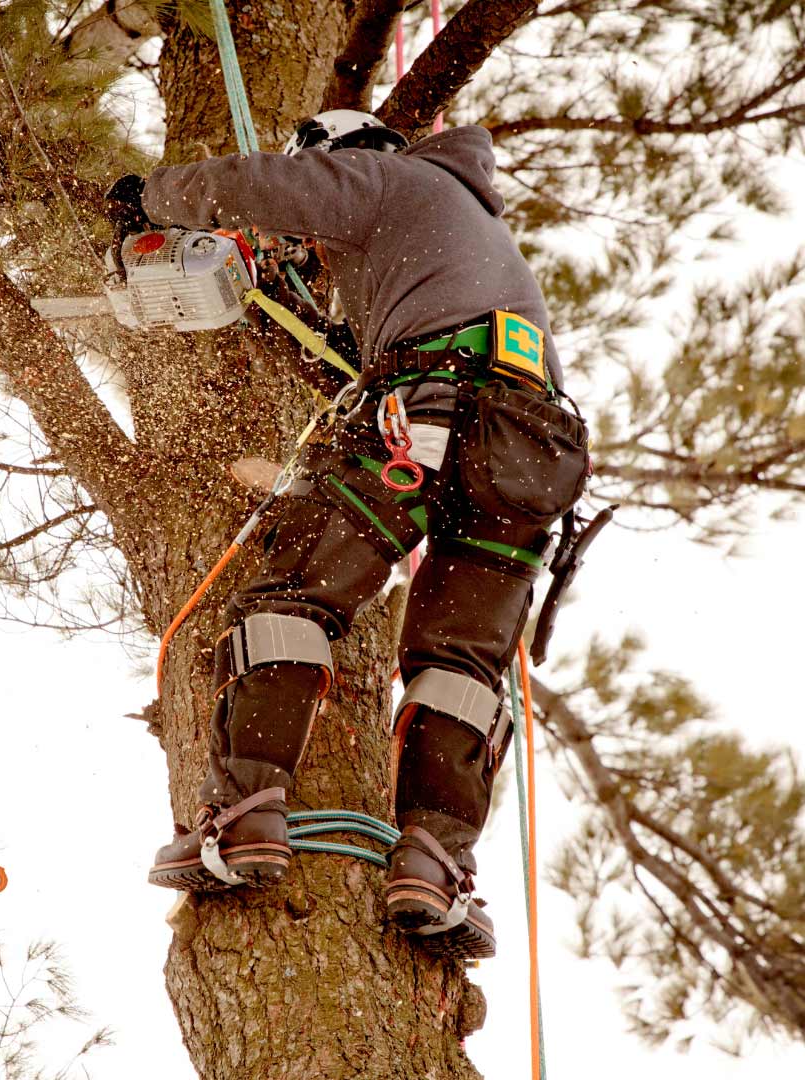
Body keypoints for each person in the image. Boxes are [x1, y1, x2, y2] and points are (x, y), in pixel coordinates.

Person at [104, 111, 588, 959]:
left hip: (429, 409)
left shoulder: (384, 178)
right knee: (461, 664)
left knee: (296, 596)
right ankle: (433, 871)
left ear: (340, 156)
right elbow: (359, 357)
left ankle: (245, 818)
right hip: (532, 449)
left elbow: (251, 186)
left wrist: (152, 197)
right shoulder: (458, 232)